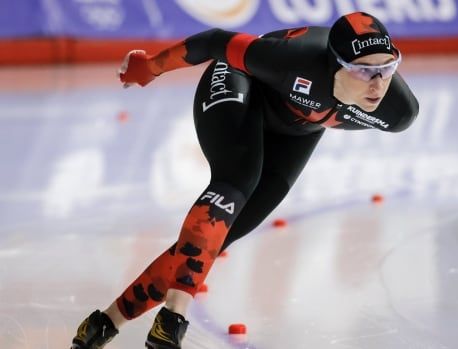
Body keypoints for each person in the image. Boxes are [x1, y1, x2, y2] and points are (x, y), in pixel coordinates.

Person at [70, 11, 418, 349]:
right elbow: (212, 42)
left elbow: (360, 94)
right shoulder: (291, 60)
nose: (378, 83)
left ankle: (104, 324)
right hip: (241, 84)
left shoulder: (397, 111)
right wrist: (150, 66)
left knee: (221, 237)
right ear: (335, 64)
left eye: (387, 68)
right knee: (237, 181)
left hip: (298, 131)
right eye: (363, 71)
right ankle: (173, 320)